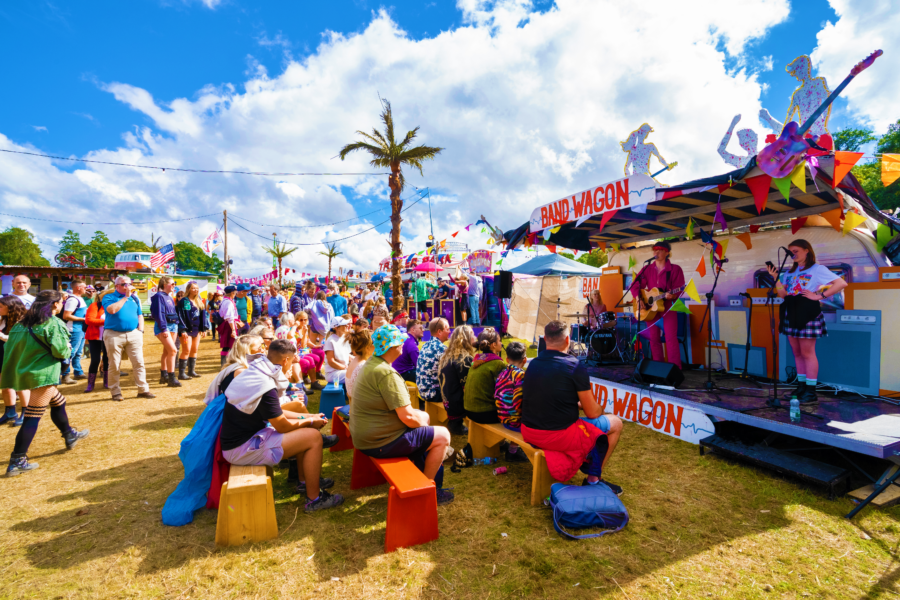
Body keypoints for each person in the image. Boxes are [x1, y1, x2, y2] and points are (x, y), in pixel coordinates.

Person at [220, 339, 344, 511]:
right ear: (285, 360)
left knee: (305, 430)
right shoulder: (265, 384)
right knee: (314, 437)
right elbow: (282, 426)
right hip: (241, 448)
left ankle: (304, 482)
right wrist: (308, 421)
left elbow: (276, 412)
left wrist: (308, 417)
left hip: (244, 440)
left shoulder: (258, 371)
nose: (294, 364)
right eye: (293, 360)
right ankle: (314, 499)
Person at [350, 325, 454, 504]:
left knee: (425, 419)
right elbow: (408, 418)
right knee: (443, 435)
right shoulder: (386, 373)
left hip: (367, 436)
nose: (403, 344)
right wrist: (423, 423)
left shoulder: (372, 365)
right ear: (392, 346)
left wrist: (423, 421)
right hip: (379, 441)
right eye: (400, 341)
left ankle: (427, 475)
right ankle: (426, 490)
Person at [521, 320, 624, 494]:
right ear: (568, 340)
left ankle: (591, 471)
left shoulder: (533, 364)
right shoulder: (574, 366)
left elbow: (542, 396)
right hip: (558, 435)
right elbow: (592, 412)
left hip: (529, 431)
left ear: (544, 339)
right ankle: (593, 480)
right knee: (616, 423)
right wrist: (598, 408)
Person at [2, 290, 90, 476]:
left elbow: (10, 348)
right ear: (53, 305)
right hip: (42, 374)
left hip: (24, 371)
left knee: (59, 401)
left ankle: (69, 433)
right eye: (59, 303)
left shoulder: (20, 324)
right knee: (32, 417)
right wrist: (66, 349)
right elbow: (60, 352)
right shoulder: (52, 323)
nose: (60, 306)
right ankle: (17, 459)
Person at [767, 239, 848, 404]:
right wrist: (776, 278)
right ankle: (801, 386)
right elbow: (784, 295)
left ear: (807, 251)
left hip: (808, 314)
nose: (793, 255)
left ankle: (811, 391)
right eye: (790, 252)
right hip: (791, 313)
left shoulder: (817, 269)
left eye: (796, 251)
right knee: (797, 353)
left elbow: (841, 283)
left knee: (807, 353)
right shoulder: (789, 273)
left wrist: (819, 296)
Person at [463, 328, 527, 461]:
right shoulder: (497, 363)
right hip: (484, 412)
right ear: (493, 345)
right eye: (499, 341)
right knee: (516, 408)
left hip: (469, 410)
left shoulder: (477, 360)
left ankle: (501, 443)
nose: (501, 343)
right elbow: (506, 391)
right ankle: (512, 450)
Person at [629, 241, 685, 369]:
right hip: (651, 309)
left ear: (667, 253)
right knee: (654, 338)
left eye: (659, 250)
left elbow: (680, 289)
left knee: (671, 338)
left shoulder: (675, 269)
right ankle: (658, 368)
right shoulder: (647, 268)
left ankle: (675, 369)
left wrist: (674, 295)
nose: (656, 252)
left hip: (669, 307)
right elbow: (635, 286)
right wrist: (638, 299)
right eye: (654, 250)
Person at [102, 276, 156, 402]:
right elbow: (112, 310)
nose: (128, 286)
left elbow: (140, 314)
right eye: (124, 284)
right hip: (113, 334)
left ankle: (143, 389)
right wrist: (126, 297)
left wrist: (140, 330)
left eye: (129, 283)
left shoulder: (135, 298)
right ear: (116, 286)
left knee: (139, 362)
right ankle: (115, 392)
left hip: (133, 334)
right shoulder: (109, 297)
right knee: (114, 364)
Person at [438, 325, 476, 436]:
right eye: (472, 335)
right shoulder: (464, 359)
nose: (475, 337)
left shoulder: (447, 356)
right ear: (467, 339)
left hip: (447, 401)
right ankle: (457, 425)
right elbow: (468, 387)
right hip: (457, 405)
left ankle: (455, 423)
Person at [150, 276, 182, 388]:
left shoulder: (168, 296)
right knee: (173, 351)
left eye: (175, 283)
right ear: (164, 284)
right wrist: (163, 328)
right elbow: (159, 313)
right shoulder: (159, 296)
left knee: (167, 351)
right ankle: (171, 378)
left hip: (173, 325)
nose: (174, 285)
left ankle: (164, 375)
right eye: (172, 283)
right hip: (164, 326)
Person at [0, 296, 27, 424]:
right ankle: (10, 412)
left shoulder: (23, 321)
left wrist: (1, 335)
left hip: (17, 354)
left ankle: (26, 413)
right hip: (3, 354)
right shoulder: (3, 319)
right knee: (5, 385)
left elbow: (17, 339)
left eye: (0, 307)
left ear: (11, 307)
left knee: (20, 385)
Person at [176, 281, 208, 380]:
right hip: (187, 329)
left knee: (194, 350)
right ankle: (181, 374)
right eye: (193, 288)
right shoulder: (184, 301)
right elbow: (180, 315)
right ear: (188, 289)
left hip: (196, 329)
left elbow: (203, 315)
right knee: (186, 350)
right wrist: (182, 329)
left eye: (197, 288)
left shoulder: (199, 300)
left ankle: (191, 371)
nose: (195, 290)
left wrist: (203, 328)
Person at [60, 279, 89, 385]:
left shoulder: (80, 298)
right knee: (70, 352)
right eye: (84, 287)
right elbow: (66, 316)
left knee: (78, 353)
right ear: (78, 287)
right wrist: (84, 319)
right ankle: (65, 375)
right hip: (73, 330)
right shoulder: (72, 300)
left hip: (80, 329)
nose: (86, 289)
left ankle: (78, 372)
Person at [494, 341, 526, 432]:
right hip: (515, 423)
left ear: (507, 359)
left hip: (502, 419)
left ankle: (513, 446)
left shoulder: (502, 373)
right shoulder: (521, 375)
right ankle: (513, 446)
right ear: (525, 360)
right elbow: (517, 403)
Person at [417, 317, 449, 405]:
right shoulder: (441, 348)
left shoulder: (426, 345)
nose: (450, 332)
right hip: (434, 394)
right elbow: (450, 373)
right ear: (439, 331)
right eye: (447, 329)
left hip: (423, 391)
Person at [83, 286, 109, 393]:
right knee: (95, 360)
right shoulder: (95, 306)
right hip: (95, 337)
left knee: (107, 360)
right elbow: (89, 320)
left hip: (108, 337)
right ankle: (90, 384)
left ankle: (107, 382)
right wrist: (107, 322)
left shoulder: (113, 307)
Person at [294, 311, 325, 391]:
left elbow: (307, 341)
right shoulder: (295, 330)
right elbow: (303, 345)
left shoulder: (304, 328)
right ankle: (308, 378)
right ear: (297, 320)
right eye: (301, 320)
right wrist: (304, 333)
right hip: (299, 352)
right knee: (311, 359)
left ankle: (317, 373)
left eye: (305, 319)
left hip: (305, 351)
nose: (303, 321)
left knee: (320, 353)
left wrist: (315, 346)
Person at [322, 316, 352, 385]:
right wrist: (345, 367)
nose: (347, 325)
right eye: (344, 324)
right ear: (336, 327)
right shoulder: (330, 340)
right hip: (333, 373)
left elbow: (347, 355)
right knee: (356, 375)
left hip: (342, 370)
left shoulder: (344, 337)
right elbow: (331, 361)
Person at [217, 285, 242, 367]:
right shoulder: (228, 302)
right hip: (229, 325)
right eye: (235, 292)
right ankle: (228, 364)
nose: (236, 293)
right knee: (231, 345)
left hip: (228, 324)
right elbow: (229, 317)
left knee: (227, 345)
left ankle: (226, 364)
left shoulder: (226, 300)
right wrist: (233, 330)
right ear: (232, 292)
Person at [392, 319, 422, 384]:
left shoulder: (405, 337)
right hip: (403, 373)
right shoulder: (412, 346)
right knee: (426, 375)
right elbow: (419, 366)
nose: (423, 330)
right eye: (420, 328)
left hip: (395, 371)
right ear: (413, 330)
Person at [346, 328, 373, 399]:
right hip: (360, 405)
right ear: (367, 347)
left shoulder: (355, 360)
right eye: (374, 343)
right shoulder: (362, 365)